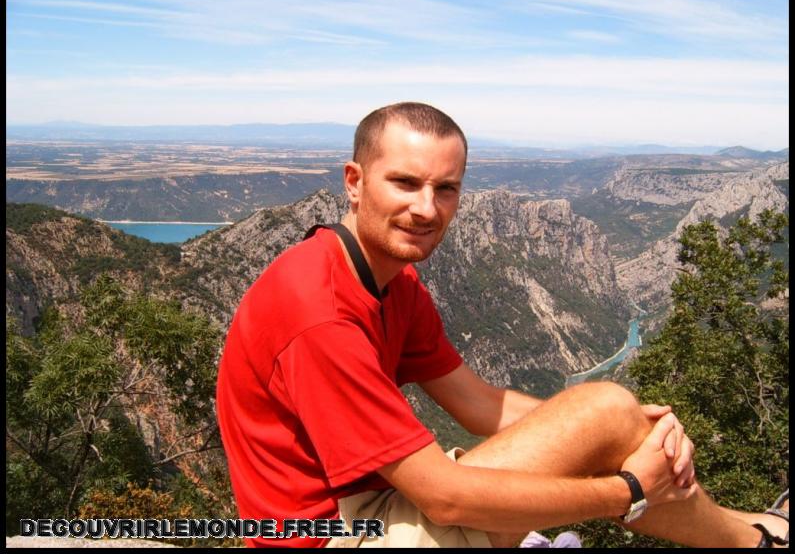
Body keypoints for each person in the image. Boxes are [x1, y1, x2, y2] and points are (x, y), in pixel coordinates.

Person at [216, 102, 789, 548]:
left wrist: (623, 429)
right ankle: (758, 539)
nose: (427, 208)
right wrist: (629, 489)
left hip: (367, 510)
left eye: (446, 189)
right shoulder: (319, 315)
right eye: (405, 183)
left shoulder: (390, 281)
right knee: (602, 416)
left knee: (608, 407)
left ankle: (746, 530)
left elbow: (479, 405)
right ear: (354, 180)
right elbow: (445, 501)